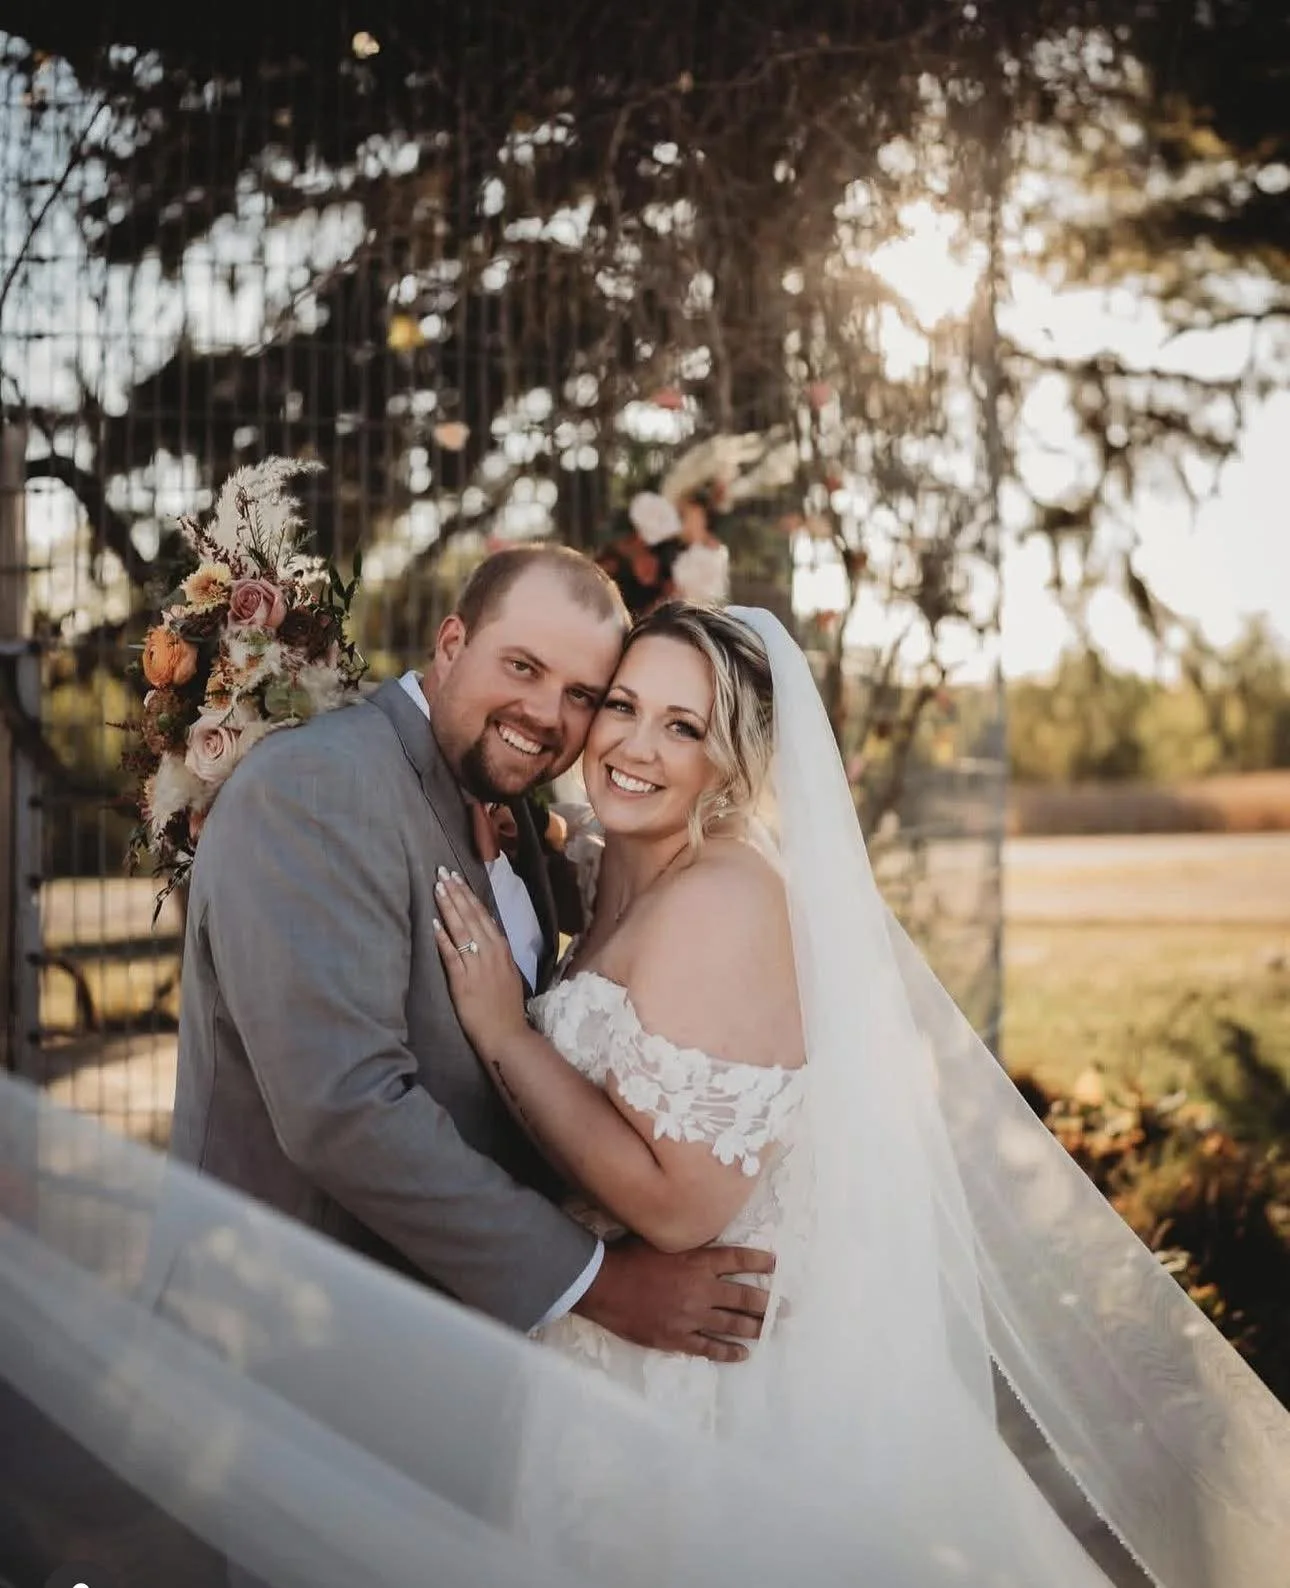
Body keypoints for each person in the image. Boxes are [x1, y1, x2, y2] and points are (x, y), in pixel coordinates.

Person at [427, 601, 1290, 1586]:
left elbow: (680, 1205)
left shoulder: (727, 897)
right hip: (602, 1362)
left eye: (684, 726)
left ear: (734, 761)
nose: (635, 743)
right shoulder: (618, 873)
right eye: (623, 705)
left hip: (704, 1396)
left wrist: (503, 1031)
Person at [169, 546, 774, 1360]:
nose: (545, 713)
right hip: (288, 1342)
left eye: (582, 695)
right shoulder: (318, 786)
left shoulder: (502, 806)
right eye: (521, 666)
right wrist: (600, 1284)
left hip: (438, 1350)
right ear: (450, 644)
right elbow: (344, 1110)